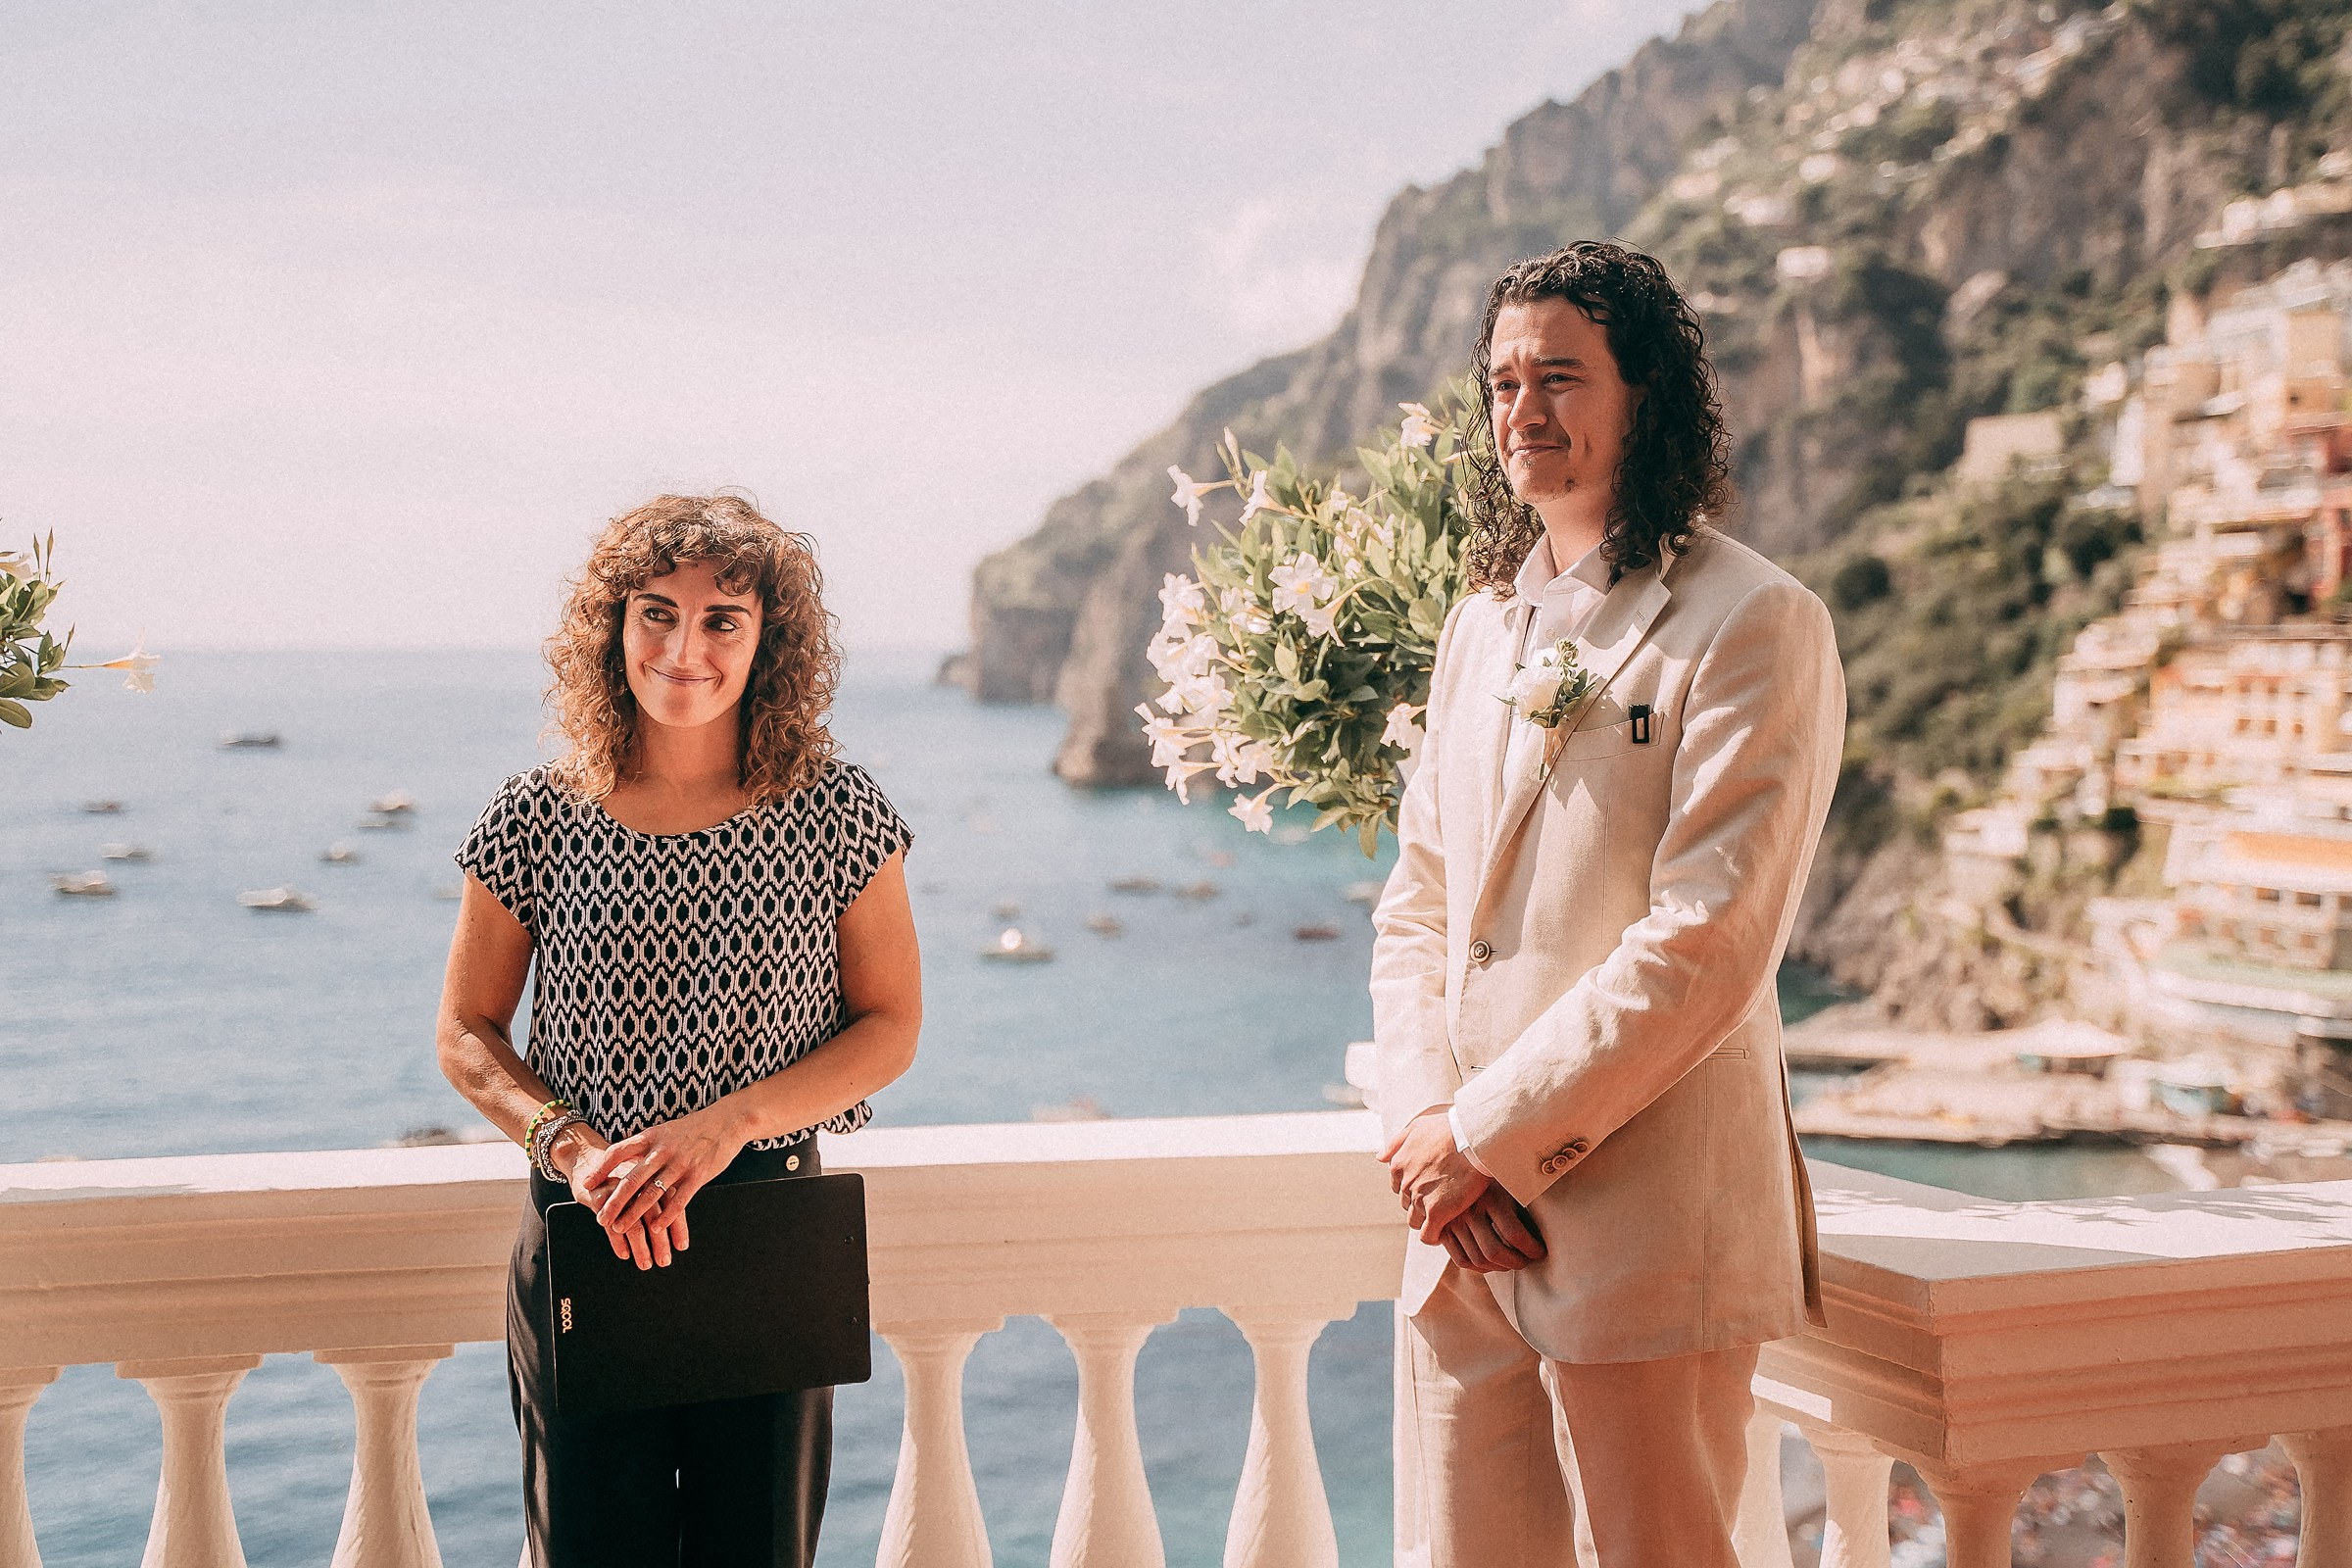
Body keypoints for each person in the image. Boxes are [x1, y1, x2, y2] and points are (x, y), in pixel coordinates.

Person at [1372, 241, 1846, 1567]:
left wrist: (1490, 1138)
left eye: (1561, 377)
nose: (1523, 409)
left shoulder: (1755, 622)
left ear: (1645, 395)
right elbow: (1418, 907)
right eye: (1503, 382)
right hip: (1461, 1238)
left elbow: (1710, 943)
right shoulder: (1478, 629)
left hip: (1647, 1233)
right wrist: (1425, 1132)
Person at [436, 492, 920, 1568]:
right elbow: (467, 1030)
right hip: (591, 1235)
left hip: (770, 1239)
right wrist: (574, 1150)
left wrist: (726, 1125)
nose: (683, 648)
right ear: (612, 628)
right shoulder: (535, 815)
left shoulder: (840, 813)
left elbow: (891, 1026)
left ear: (767, 643)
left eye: (721, 621)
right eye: (656, 612)